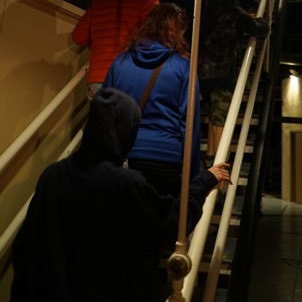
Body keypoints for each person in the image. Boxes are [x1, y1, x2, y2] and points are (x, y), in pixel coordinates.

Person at [9, 87, 232, 302]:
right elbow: (174, 222)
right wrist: (205, 180)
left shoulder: (53, 175)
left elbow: (24, 246)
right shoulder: (125, 184)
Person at [102, 3, 200, 196]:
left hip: (124, 157)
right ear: (178, 31)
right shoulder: (184, 67)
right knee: (159, 222)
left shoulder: (120, 61)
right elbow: (189, 123)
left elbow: (104, 114)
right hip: (165, 159)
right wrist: (193, 177)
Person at [198, 0, 269, 165]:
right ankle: (219, 178)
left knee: (213, 119)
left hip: (203, 76)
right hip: (223, 75)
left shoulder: (204, 14)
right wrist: (262, 20)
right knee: (221, 121)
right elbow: (259, 30)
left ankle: (211, 161)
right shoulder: (234, 12)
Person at [72, 0, 159, 101]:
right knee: (126, 122)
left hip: (98, 80)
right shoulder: (149, 2)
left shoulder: (100, 0)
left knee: (100, 122)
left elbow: (78, 36)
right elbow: (155, 40)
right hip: (128, 77)